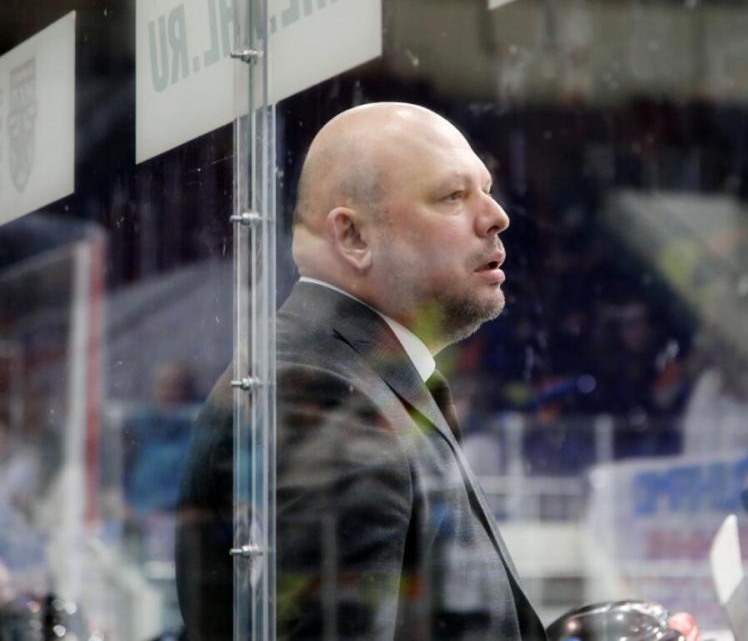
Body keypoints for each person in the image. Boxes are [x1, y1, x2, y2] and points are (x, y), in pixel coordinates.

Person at [175, 103, 547, 640]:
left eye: (485, 190)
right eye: (452, 196)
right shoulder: (321, 393)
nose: (495, 216)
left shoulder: (356, 377)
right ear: (352, 237)